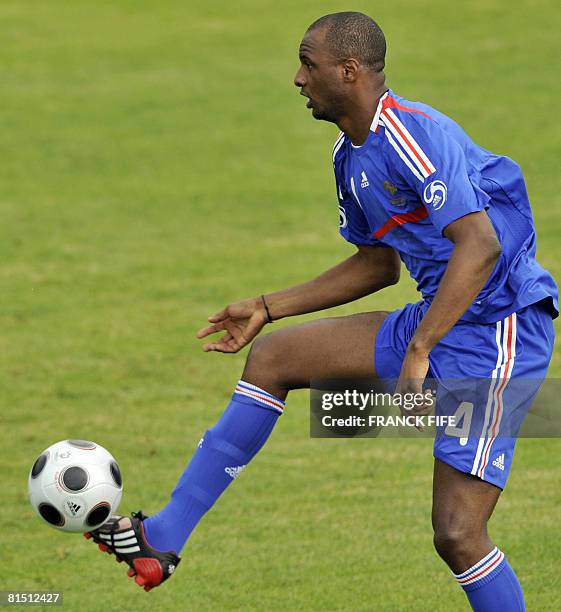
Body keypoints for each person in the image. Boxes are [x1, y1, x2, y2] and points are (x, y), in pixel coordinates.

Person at [85, 11, 557, 610]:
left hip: (500, 331)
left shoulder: (414, 134)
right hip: (444, 317)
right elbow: (378, 265)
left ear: (349, 70)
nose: (297, 78)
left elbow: (481, 244)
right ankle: (165, 536)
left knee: (458, 534)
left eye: (308, 64)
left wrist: (420, 349)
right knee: (275, 357)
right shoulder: (350, 159)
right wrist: (266, 306)